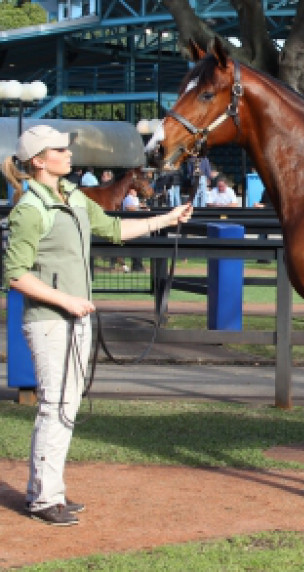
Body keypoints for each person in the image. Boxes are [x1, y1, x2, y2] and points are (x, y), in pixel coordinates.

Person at [1, 125, 193, 526]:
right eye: (60, 149)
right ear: (39, 161)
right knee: (55, 405)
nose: (69, 154)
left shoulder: (72, 197)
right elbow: (16, 274)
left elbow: (114, 229)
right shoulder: (30, 209)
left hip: (76, 319)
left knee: (66, 405)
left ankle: (48, 490)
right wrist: (66, 300)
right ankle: (43, 499)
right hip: (50, 322)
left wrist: (166, 218)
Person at [122, 186, 147, 271]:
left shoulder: (135, 199)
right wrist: (140, 207)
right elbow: (129, 207)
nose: (136, 191)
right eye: (134, 190)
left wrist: (143, 207)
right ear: (130, 190)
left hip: (135, 225)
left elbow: (137, 207)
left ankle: (137, 265)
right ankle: (137, 266)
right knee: (136, 245)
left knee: (138, 245)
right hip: (131, 225)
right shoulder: (129, 198)